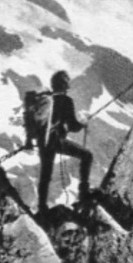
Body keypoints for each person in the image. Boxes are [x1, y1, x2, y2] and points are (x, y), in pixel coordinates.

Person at [36, 70, 94, 216]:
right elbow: (73, 126)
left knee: (45, 174)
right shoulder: (66, 101)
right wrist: (83, 122)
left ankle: (42, 207)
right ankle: (84, 193)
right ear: (64, 84)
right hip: (56, 141)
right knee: (87, 156)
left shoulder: (45, 100)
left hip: (43, 142)